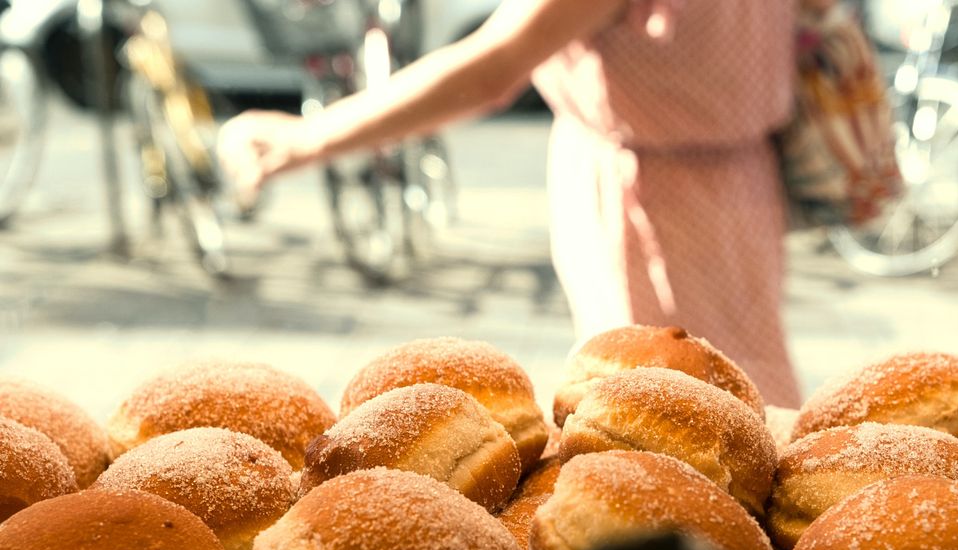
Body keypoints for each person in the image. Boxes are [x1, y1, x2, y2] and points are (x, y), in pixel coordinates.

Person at [219, 0, 803, 407]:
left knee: (661, 408)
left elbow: (492, 68)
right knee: (737, 387)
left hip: (648, 196)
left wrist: (305, 138)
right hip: (740, 179)